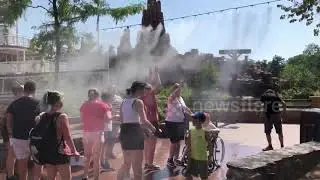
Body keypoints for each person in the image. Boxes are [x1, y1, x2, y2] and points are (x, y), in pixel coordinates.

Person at [34, 91, 80, 180]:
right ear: (57, 103)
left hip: (47, 153)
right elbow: (67, 137)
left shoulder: (42, 116)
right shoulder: (62, 117)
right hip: (60, 153)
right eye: (60, 100)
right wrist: (74, 151)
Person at [117, 81, 156, 180]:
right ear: (138, 89)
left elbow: (122, 121)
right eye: (144, 89)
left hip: (124, 131)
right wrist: (154, 129)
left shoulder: (123, 102)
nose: (145, 92)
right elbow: (144, 120)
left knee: (127, 162)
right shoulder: (138, 102)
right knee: (137, 165)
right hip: (134, 132)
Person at [6, 81, 42, 180]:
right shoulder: (39, 103)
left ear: (24, 90)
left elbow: (9, 119)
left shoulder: (14, 103)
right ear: (34, 90)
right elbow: (44, 121)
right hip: (35, 138)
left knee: (22, 164)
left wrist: (10, 134)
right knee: (38, 163)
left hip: (18, 137)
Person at [80, 89, 112, 180]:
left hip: (86, 133)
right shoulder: (103, 105)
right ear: (98, 95)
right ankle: (96, 178)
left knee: (87, 155)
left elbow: (82, 118)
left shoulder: (84, 105)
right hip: (98, 133)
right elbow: (108, 118)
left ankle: (85, 176)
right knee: (96, 158)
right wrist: (114, 115)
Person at [165, 83, 192, 168]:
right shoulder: (171, 98)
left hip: (180, 122)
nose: (180, 91)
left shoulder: (181, 98)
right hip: (172, 122)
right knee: (174, 142)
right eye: (178, 90)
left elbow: (185, 108)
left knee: (179, 142)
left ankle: (176, 159)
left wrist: (192, 114)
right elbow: (173, 95)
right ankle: (170, 159)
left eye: (180, 90)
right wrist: (178, 87)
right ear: (174, 90)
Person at [1, 84, 24, 180]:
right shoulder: (17, 102)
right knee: (13, 154)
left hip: (9, 129)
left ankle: (10, 174)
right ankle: (10, 174)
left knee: (11, 153)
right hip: (11, 130)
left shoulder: (13, 101)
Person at [141, 66, 161, 171]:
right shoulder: (149, 94)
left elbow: (150, 84)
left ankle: (147, 163)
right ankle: (150, 164)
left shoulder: (142, 96)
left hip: (146, 122)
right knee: (152, 144)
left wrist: (151, 74)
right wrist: (156, 73)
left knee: (147, 144)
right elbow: (157, 85)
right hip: (151, 122)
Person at [185, 112, 213, 180]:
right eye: (193, 118)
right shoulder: (191, 131)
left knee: (203, 177)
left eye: (195, 118)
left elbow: (209, 145)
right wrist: (188, 153)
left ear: (200, 121)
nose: (193, 120)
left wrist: (209, 156)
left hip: (203, 158)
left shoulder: (205, 132)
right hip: (192, 158)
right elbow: (188, 144)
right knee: (188, 174)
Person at [260, 84, 286, 151]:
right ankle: (282, 146)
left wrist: (261, 113)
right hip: (277, 115)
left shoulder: (264, 95)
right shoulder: (276, 95)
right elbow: (284, 104)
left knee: (267, 132)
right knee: (280, 132)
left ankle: (270, 146)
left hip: (268, 116)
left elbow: (262, 105)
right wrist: (283, 114)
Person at [100, 92, 115, 170]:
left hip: (108, 127)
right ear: (106, 98)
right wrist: (114, 117)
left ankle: (104, 162)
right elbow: (106, 118)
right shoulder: (103, 105)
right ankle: (103, 162)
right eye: (111, 97)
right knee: (104, 146)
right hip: (105, 128)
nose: (112, 99)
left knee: (105, 146)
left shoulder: (108, 105)